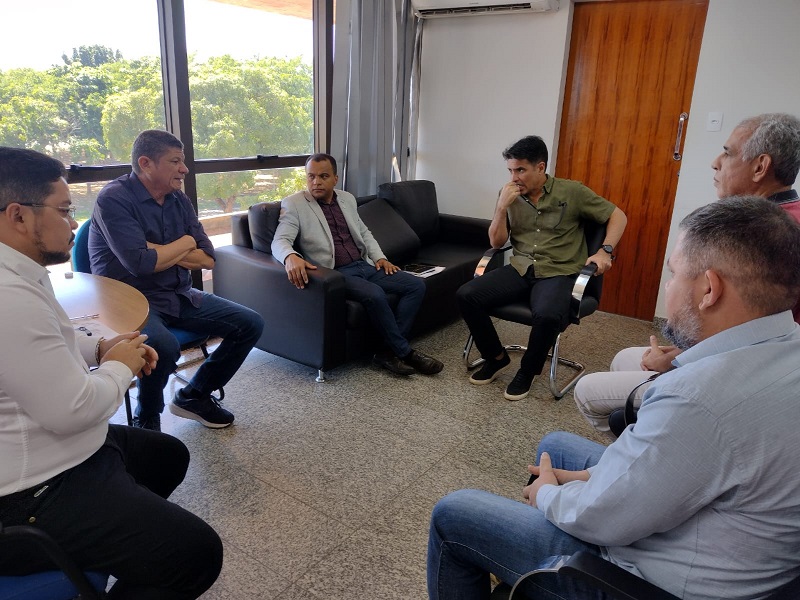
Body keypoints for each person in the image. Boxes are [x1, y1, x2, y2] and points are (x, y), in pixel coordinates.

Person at [428, 196, 800, 600]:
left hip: (646, 581)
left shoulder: (698, 398)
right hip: (720, 538)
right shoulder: (786, 347)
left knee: (454, 514)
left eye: (673, 274)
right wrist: (583, 482)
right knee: (555, 445)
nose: (669, 288)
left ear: (709, 289)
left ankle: (530, 569)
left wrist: (549, 493)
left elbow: (600, 518)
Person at [0, 147, 222, 598]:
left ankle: (122, 544)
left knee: (166, 456)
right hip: (30, 489)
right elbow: (74, 410)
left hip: (60, 449)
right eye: (64, 210)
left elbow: (49, 337)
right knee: (197, 554)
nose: (73, 224)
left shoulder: (20, 274)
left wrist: (100, 346)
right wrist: (119, 366)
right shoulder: (10, 297)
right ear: (19, 216)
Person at [574, 112, 800, 438]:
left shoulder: (766, 237)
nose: (715, 162)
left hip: (739, 381)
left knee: (588, 391)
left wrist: (679, 362)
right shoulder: (780, 218)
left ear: (760, 166)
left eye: (727, 153)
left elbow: (749, 343)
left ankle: (651, 452)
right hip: (742, 363)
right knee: (625, 359)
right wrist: (682, 353)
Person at [89, 129, 264, 431]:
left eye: (183, 161)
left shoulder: (178, 199)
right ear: (146, 163)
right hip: (129, 301)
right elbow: (140, 265)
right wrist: (185, 243)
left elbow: (207, 258)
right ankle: (147, 415)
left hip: (177, 293)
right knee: (164, 346)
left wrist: (158, 250)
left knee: (250, 323)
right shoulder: (113, 199)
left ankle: (193, 396)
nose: (184, 169)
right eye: (175, 161)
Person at [456, 135, 627, 401]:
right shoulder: (508, 194)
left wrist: (605, 250)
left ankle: (527, 371)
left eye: (520, 170)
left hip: (559, 271)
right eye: (510, 170)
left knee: (547, 315)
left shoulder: (572, 192)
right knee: (466, 295)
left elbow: (618, 215)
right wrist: (501, 208)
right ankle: (496, 357)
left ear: (540, 167)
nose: (514, 178)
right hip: (520, 268)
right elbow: (496, 243)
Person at [271, 153, 443, 376]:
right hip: (337, 273)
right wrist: (290, 257)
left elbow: (364, 232)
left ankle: (386, 352)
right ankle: (405, 352)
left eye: (323, 176)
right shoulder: (294, 204)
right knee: (375, 294)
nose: (316, 182)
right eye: (311, 176)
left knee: (415, 285)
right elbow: (280, 240)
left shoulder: (347, 199)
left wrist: (380, 258)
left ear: (335, 178)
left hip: (365, 265)